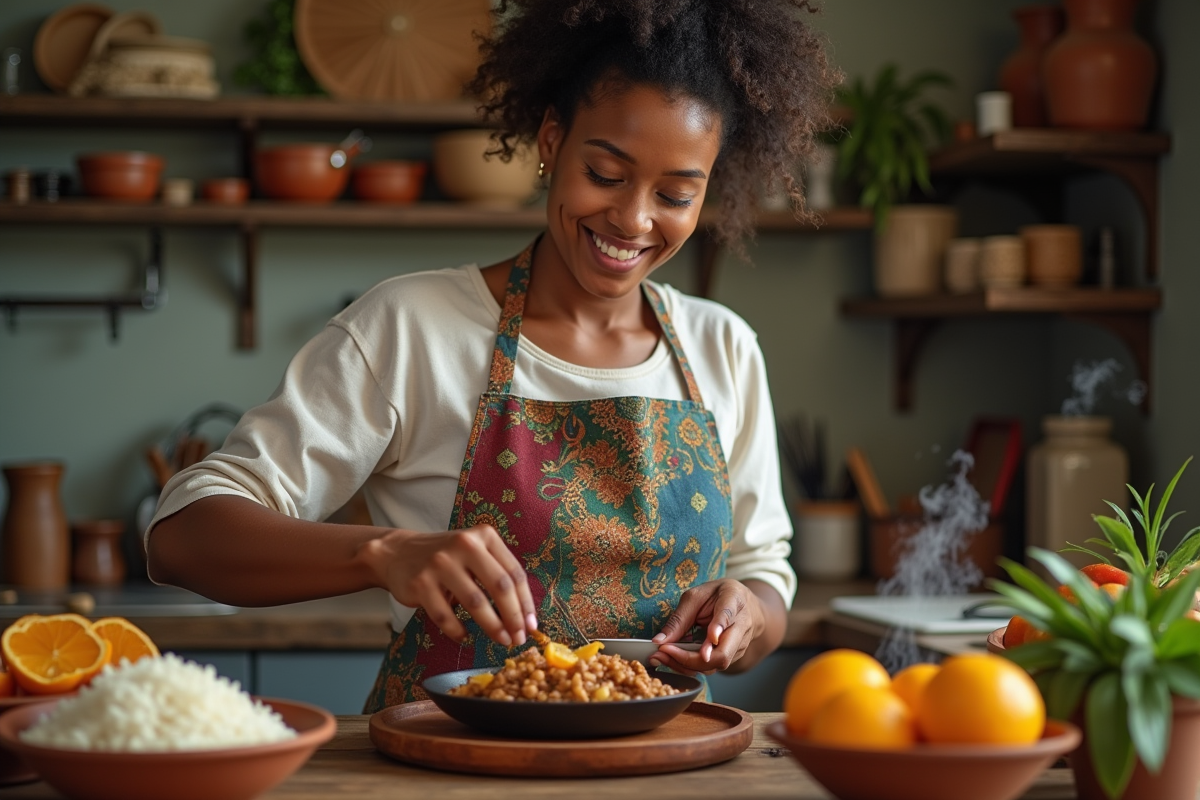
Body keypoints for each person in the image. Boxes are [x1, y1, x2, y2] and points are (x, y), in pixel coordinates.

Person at [146, 0, 837, 711]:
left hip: (663, 769)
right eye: (604, 173)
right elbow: (181, 537)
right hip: (450, 769)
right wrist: (383, 554)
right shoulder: (412, 328)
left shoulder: (722, 346)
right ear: (551, 141)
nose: (633, 220)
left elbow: (763, 575)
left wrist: (748, 615)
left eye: (675, 193)